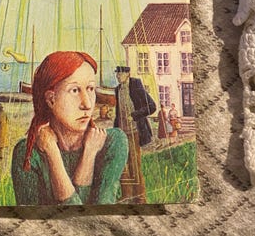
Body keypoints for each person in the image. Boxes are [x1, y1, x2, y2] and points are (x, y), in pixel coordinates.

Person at [11, 51, 128, 205]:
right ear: (51, 100)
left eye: (90, 89)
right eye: (74, 90)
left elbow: (101, 213)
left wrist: (89, 154)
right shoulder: (27, 154)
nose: (87, 104)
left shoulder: (113, 141)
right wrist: (52, 152)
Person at [114, 65, 157, 204]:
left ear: (128, 74)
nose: (118, 76)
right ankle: (127, 195)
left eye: (120, 74)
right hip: (121, 133)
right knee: (122, 164)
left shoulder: (136, 86)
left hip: (134, 132)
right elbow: (118, 112)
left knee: (134, 165)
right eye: (117, 74)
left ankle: (140, 197)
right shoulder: (117, 89)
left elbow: (152, 106)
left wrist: (135, 115)